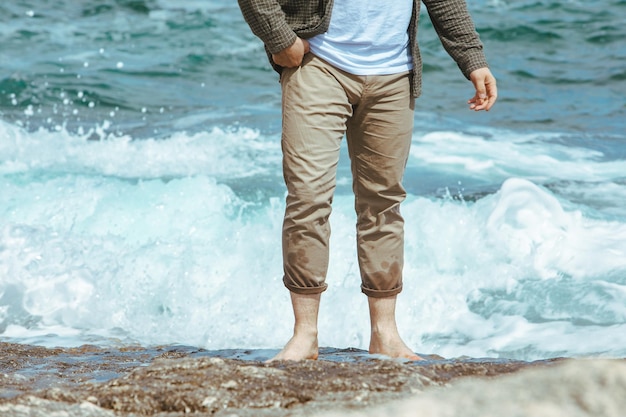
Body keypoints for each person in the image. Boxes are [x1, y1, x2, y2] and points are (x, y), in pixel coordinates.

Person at [237, 0, 497, 361]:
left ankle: (385, 335)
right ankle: (305, 335)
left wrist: (472, 58)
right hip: (318, 65)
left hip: (393, 73)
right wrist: (281, 39)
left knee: (383, 204)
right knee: (308, 197)